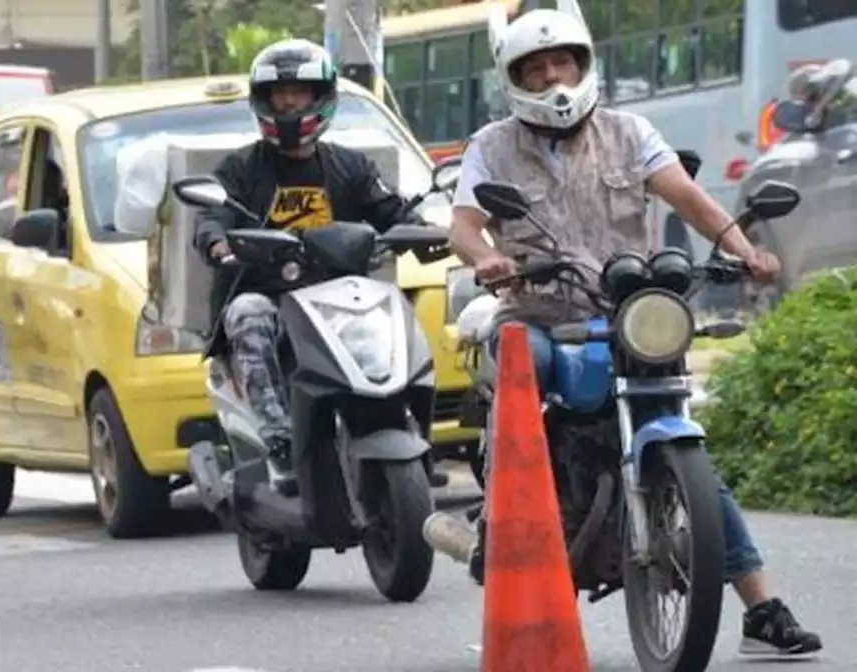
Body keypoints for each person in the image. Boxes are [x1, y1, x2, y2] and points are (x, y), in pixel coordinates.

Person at [447, 5, 822, 657]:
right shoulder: (492, 145)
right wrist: (486, 258)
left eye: (562, 62)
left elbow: (690, 200)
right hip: (538, 311)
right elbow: (463, 224)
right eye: (535, 69)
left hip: (629, 311)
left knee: (683, 436)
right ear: (515, 79)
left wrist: (746, 247)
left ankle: (761, 607)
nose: (553, 78)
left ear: (584, 63)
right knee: (521, 370)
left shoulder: (630, 132)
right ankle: (497, 523)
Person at [192, 39, 427, 495]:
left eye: (298, 94)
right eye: (279, 96)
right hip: (269, 293)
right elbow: (212, 215)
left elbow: (391, 209)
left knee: (395, 312)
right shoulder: (240, 169)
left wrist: (422, 232)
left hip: (339, 298)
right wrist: (218, 243)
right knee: (247, 314)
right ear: (262, 102)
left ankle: (405, 424)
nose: (288, 104)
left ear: (321, 97)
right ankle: (278, 439)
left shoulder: (351, 166)